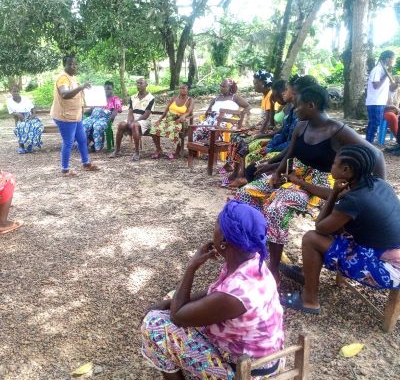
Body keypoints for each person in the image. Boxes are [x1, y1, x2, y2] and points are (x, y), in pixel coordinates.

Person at [235, 85, 386, 284]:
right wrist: (276, 172)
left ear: (311, 105)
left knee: (277, 208)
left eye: (298, 107)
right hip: (294, 175)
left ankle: (273, 271)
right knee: (244, 194)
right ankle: (254, 251)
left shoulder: (338, 131)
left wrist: (377, 189)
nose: (295, 110)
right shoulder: (301, 126)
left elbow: (377, 155)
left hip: (318, 184)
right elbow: (290, 154)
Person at [141, 200, 284, 380]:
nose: (214, 227)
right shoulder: (251, 261)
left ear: (224, 240)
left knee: (153, 325)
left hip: (247, 373)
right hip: (265, 359)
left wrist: (191, 267)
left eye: (217, 223)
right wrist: (169, 302)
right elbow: (213, 293)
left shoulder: (235, 293)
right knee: (173, 298)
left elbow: (177, 317)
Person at [281, 145, 400, 314]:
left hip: (389, 268)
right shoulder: (375, 183)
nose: (331, 165)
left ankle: (309, 300)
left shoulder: (355, 199)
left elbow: (320, 227)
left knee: (311, 238)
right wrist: (301, 183)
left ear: (346, 169)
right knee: (338, 227)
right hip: (390, 251)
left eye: (334, 163)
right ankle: (307, 273)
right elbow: (336, 194)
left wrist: (332, 196)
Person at [50, 55, 100, 176]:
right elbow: (64, 94)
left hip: (75, 116)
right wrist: (81, 87)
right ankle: (65, 170)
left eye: (75, 64)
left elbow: (78, 95)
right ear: (64, 65)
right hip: (65, 116)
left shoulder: (72, 78)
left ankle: (86, 163)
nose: (73, 66)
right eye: (70, 64)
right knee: (68, 142)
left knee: (82, 140)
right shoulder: (63, 78)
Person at [109, 78, 154, 161]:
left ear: (146, 85)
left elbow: (146, 114)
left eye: (141, 83)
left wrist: (134, 122)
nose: (139, 85)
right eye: (137, 83)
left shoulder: (151, 98)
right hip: (133, 118)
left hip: (145, 120)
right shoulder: (133, 97)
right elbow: (130, 111)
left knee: (135, 125)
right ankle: (117, 150)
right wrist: (129, 121)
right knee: (121, 124)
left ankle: (137, 152)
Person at [192, 79, 250, 143]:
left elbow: (248, 106)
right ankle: (200, 147)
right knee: (198, 129)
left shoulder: (234, 97)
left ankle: (211, 146)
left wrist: (241, 114)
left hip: (225, 121)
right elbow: (207, 112)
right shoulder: (217, 98)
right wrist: (209, 113)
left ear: (229, 87)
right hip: (210, 119)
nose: (221, 88)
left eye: (224, 86)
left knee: (214, 129)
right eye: (221, 86)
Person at [150, 84, 194, 159]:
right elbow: (166, 110)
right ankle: (159, 149)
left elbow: (189, 112)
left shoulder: (190, 100)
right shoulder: (174, 98)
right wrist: (159, 120)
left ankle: (177, 152)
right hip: (168, 120)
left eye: (184, 88)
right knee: (154, 128)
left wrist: (183, 116)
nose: (182, 90)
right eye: (181, 88)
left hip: (179, 121)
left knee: (174, 129)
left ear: (187, 90)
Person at [365, 50, 398, 143]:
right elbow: (376, 86)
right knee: (375, 123)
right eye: (392, 59)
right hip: (375, 101)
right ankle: (368, 144)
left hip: (380, 102)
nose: (393, 61)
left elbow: (387, 89)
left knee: (374, 123)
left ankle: (367, 143)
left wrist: (395, 85)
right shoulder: (377, 70)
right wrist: (385, 76)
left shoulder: (384, 70)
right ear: (387, 59)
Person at [83, 81, 122, 152]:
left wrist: (110, 119)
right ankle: (84, 144)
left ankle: (97, 147)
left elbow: (115, 110)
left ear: (113, 89)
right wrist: (83, 111)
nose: (107, 90)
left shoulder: (115, 99)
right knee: (83, 125)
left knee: (97, 126)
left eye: (109, 89)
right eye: (106, 89)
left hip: (104, 118)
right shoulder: (100, 98)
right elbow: (92, 108)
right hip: (93, 117)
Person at [7, 85, 44, 154]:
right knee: (21, 126)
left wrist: (33, 115)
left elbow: (32, 108)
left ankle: (30, 145)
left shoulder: (25, 99)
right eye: (14, 91)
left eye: (17, 91)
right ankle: (21, 147)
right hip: (19, 118)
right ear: (10, 92)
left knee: (36, 126)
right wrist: (17, 114)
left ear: (19, 91)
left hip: (29, 116)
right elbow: (11, 112)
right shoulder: (9, 101)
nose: (16, 93)